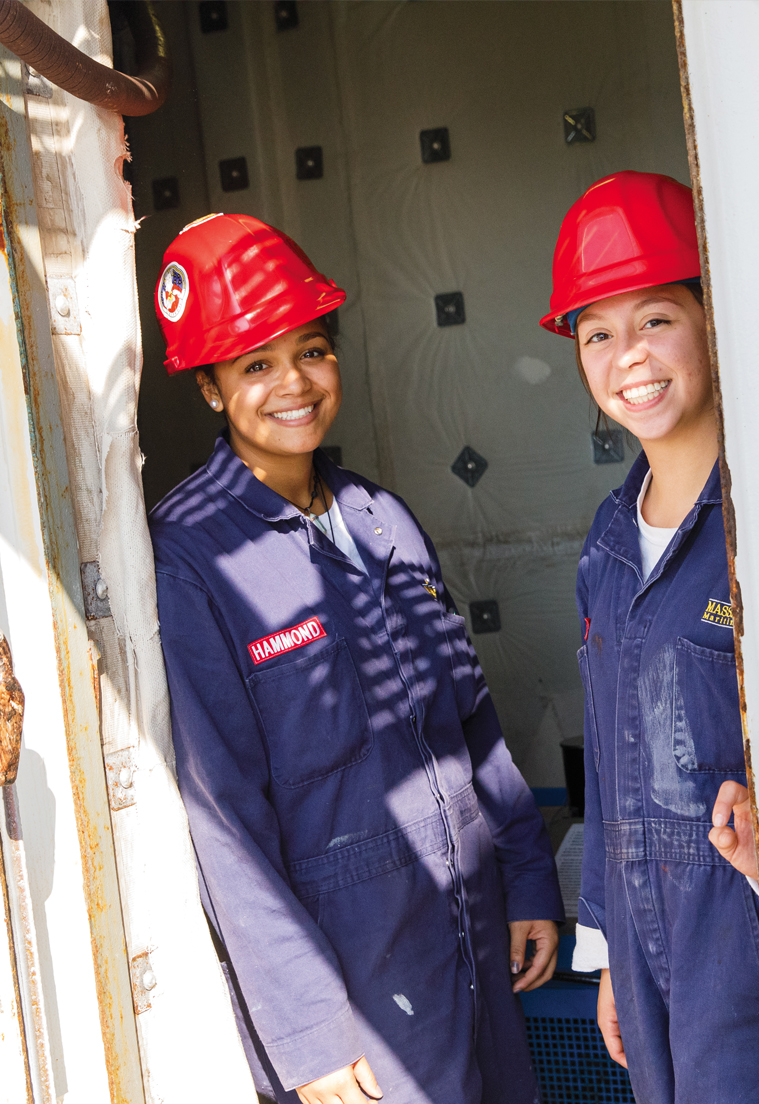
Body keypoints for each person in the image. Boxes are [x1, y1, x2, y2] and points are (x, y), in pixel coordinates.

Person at [149, 213, 564, 1104]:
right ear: (211, 390)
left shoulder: (382, 516)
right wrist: (308, 1029)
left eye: (312, 350)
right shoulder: (192, 558)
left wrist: (527, 874)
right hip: (357, 975)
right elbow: (224, 819)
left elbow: (473, 723)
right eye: (256, 363)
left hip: (472, 928)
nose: (294, 384)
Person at [540, 171, 759, 1104]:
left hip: (736, 922)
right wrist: (607, 954)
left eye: (655, 318)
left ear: (712, 319)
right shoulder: (604, 538)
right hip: (642, 928)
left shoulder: (746, 513)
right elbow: (611, 767)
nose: (626, 354)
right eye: (597, 333)